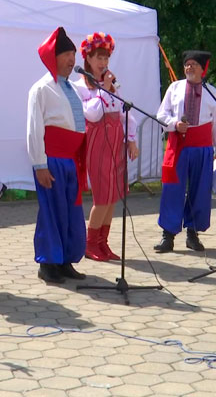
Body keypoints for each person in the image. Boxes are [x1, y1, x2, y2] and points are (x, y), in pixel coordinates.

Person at [27, 27, 88, 283]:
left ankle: (65, 260)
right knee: (52, 211)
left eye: (73, 54)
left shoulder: (73, 88)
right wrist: (40, 164)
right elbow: (34, 129)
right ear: (54, 56)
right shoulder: (41, 89)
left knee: (70, 212)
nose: (72, 60)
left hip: (70, 161)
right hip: (51, 159)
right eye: (66, 54)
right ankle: (47, 263)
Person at [72, 32, 138, 262]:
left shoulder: (109, 86)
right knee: (102, 196)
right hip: (97, 141)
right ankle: (90, 244)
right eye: (99, 58)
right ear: (88, 58)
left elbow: (122, 112)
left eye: (106, 58)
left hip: (115, 141)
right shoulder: (80, 86)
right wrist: (103, 89)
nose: (103, 63)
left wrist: (131, 139)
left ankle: (103, 243)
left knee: (113, 195)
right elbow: (91, 113)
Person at [153, 50, 216, 253]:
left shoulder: (211, 92)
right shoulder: (174, 88)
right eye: (187, 64)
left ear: (203, 69)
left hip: (202, 148)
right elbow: (161, 115)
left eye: (194, 64)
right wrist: (174, 124)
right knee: (172, 189)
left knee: (200, 190)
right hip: (179, 146)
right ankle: (168, 235)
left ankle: (193, 233)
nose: (189, 67)